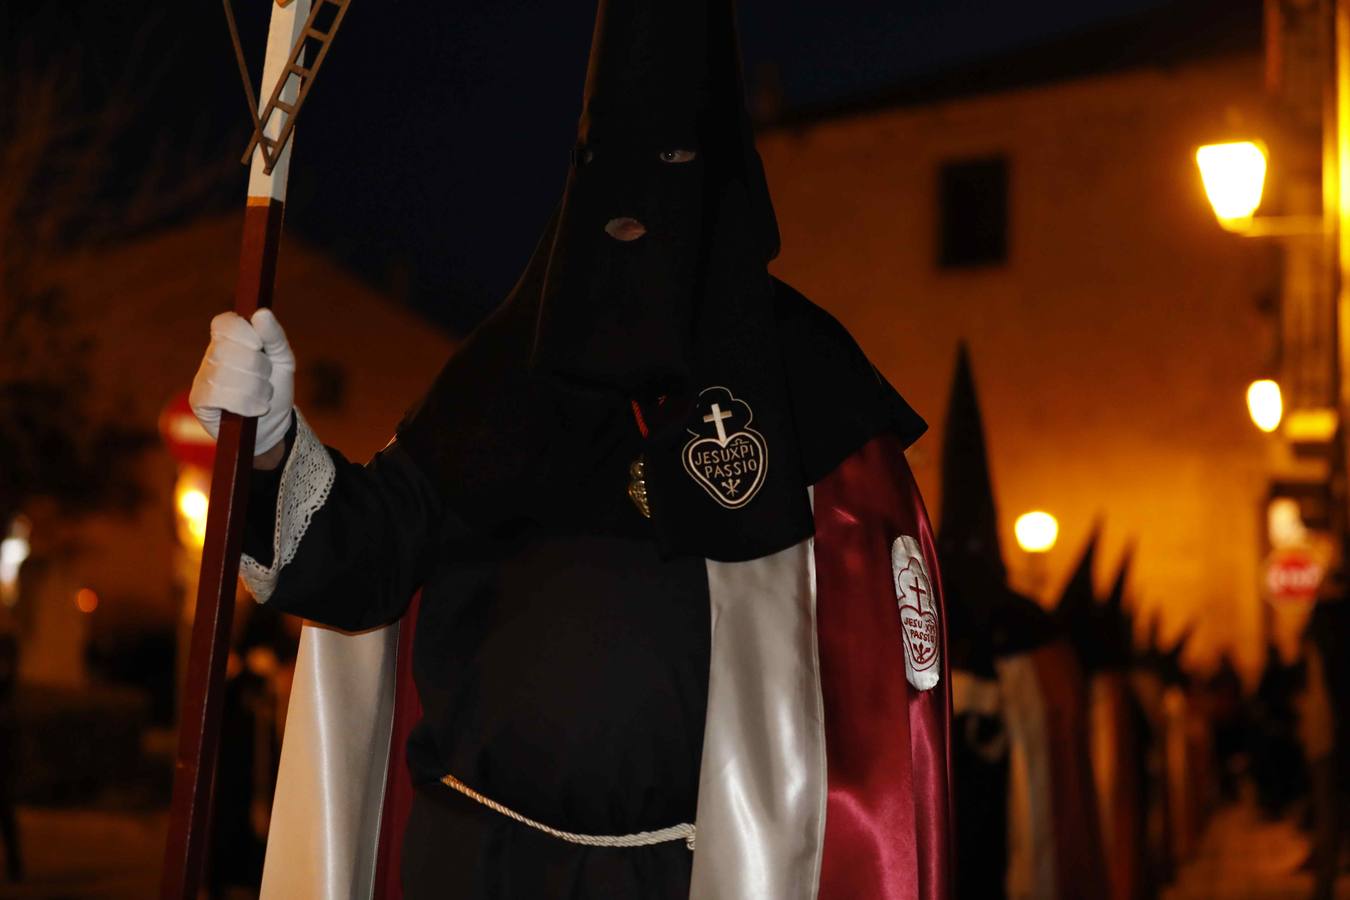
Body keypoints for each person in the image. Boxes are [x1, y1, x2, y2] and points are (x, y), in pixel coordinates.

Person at [190, 1, 954, 896]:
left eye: (672, 171)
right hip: (472, 865)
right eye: (604, 175)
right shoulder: (510, 364)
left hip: (690, 877)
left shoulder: (805, 386)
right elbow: (361, 562)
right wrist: (272, 443)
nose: (634, 217)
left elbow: (877, 700)